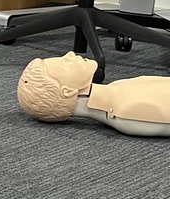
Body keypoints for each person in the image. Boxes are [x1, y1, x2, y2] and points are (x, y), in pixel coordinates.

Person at [17, 51, 170, 136]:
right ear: (67, 92)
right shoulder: (124, 110)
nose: (70, 54)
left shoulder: (116, 88)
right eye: (65, 63)